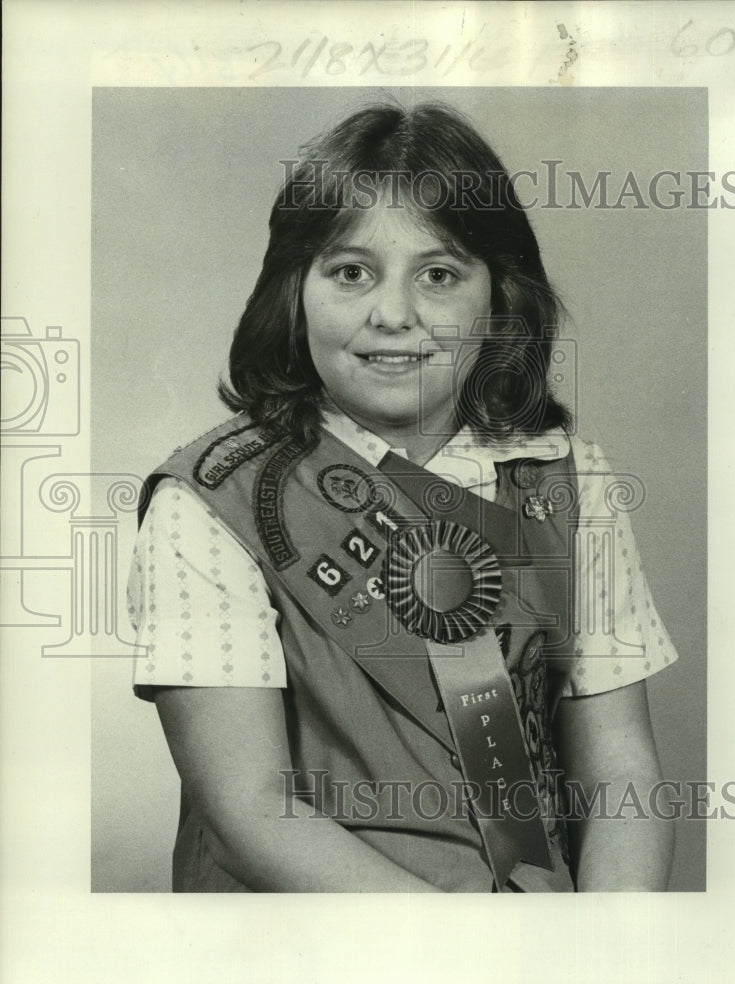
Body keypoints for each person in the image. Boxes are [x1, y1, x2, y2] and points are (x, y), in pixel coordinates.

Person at [129, 102, 678, 893]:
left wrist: (604, 959)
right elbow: (250, 811)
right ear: (294, 290)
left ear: (498, 298)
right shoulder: (211, 499)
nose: (393, 315)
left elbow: (623, 775)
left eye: (439, 274)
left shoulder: (568, 479)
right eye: (350, 272)